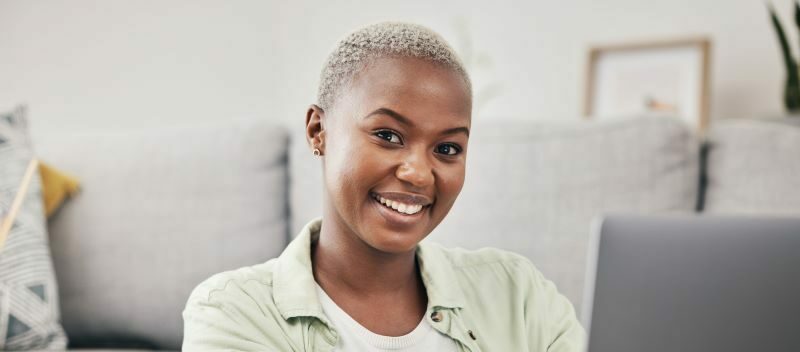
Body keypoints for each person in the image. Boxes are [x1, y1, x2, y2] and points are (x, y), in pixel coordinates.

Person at [182, 22, 585, 351]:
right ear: (318, 130)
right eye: (388, 136)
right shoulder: (233, 312)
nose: (419, 174)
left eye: (447, 148)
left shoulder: (520, 296)